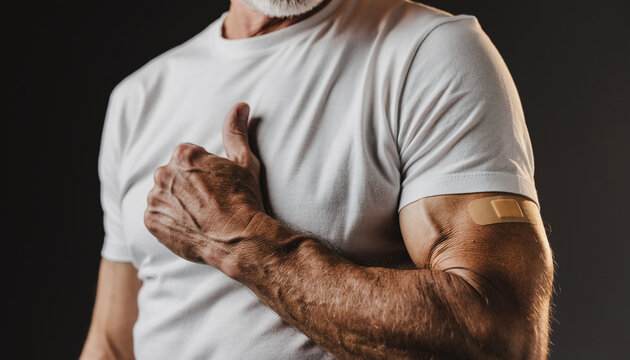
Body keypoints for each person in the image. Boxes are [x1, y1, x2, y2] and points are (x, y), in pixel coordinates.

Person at [80, 0, 554, 359]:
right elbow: (111, 342)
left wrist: (239, 241)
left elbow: (498, 333)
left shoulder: (428, 52)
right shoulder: (138, 97)